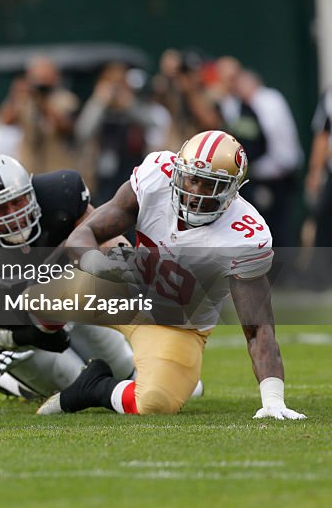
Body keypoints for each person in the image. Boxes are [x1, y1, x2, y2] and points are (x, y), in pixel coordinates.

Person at [36, 130, 306, 420]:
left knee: (154, 402)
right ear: (178, 170)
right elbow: (83, 234)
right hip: (121, 290)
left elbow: (258, 329)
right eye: (193, 179)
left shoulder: (244, 236)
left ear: (232, 190)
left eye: (211, 185)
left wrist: (273, 399)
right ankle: (31, 370)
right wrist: (101, 267)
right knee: (33, 305)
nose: (197, 193)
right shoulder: (156, 178)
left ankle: (94, 387)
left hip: (176, 325)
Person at [0, 154, 134, 400]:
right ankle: (11, 382)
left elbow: (105, 239)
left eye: (17, 202)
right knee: (74, 382)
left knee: (125, 370)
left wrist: (125, 261)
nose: (12, 215)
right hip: (15, 332)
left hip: (69, 306)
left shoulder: (61, 194)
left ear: (31, 193)